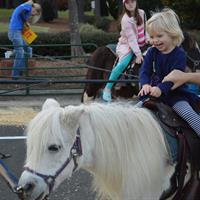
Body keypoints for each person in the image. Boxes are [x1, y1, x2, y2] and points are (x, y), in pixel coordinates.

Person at [138, 8, 200, 137]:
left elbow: (173, 78)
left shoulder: (179, 55)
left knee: (188, 114)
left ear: (172, 34)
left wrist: (160, 89)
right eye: (152, 36)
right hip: (154, 92)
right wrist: (145, 84)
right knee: (134, 111)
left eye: (159, 36)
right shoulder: (152, 52)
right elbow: (145, 71)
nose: (155, 40)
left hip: (174, 93)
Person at [102, 0, 149, 102]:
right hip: (127, 45)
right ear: (124, 4)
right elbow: (131, 39)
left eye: (132, 1)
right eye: (127, 2)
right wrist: (138, 54)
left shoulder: (142, 13)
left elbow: (146, 28)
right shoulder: (125, 20)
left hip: (143, 44)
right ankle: (108, 88)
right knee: (123, 64)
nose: (130, 4)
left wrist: (148, 39)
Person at [8, 0, 41, 79]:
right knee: (20, 52)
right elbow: (21, 13)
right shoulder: (28, 6)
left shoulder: (24, 6)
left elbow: (13, 17)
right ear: (35, 9)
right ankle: (15, 76)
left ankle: (21, 71)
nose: (32, 15)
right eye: (34, 14)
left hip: (17, 32)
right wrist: (26, 22)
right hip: (15, 32)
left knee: (28, 49)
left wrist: (24, 26)